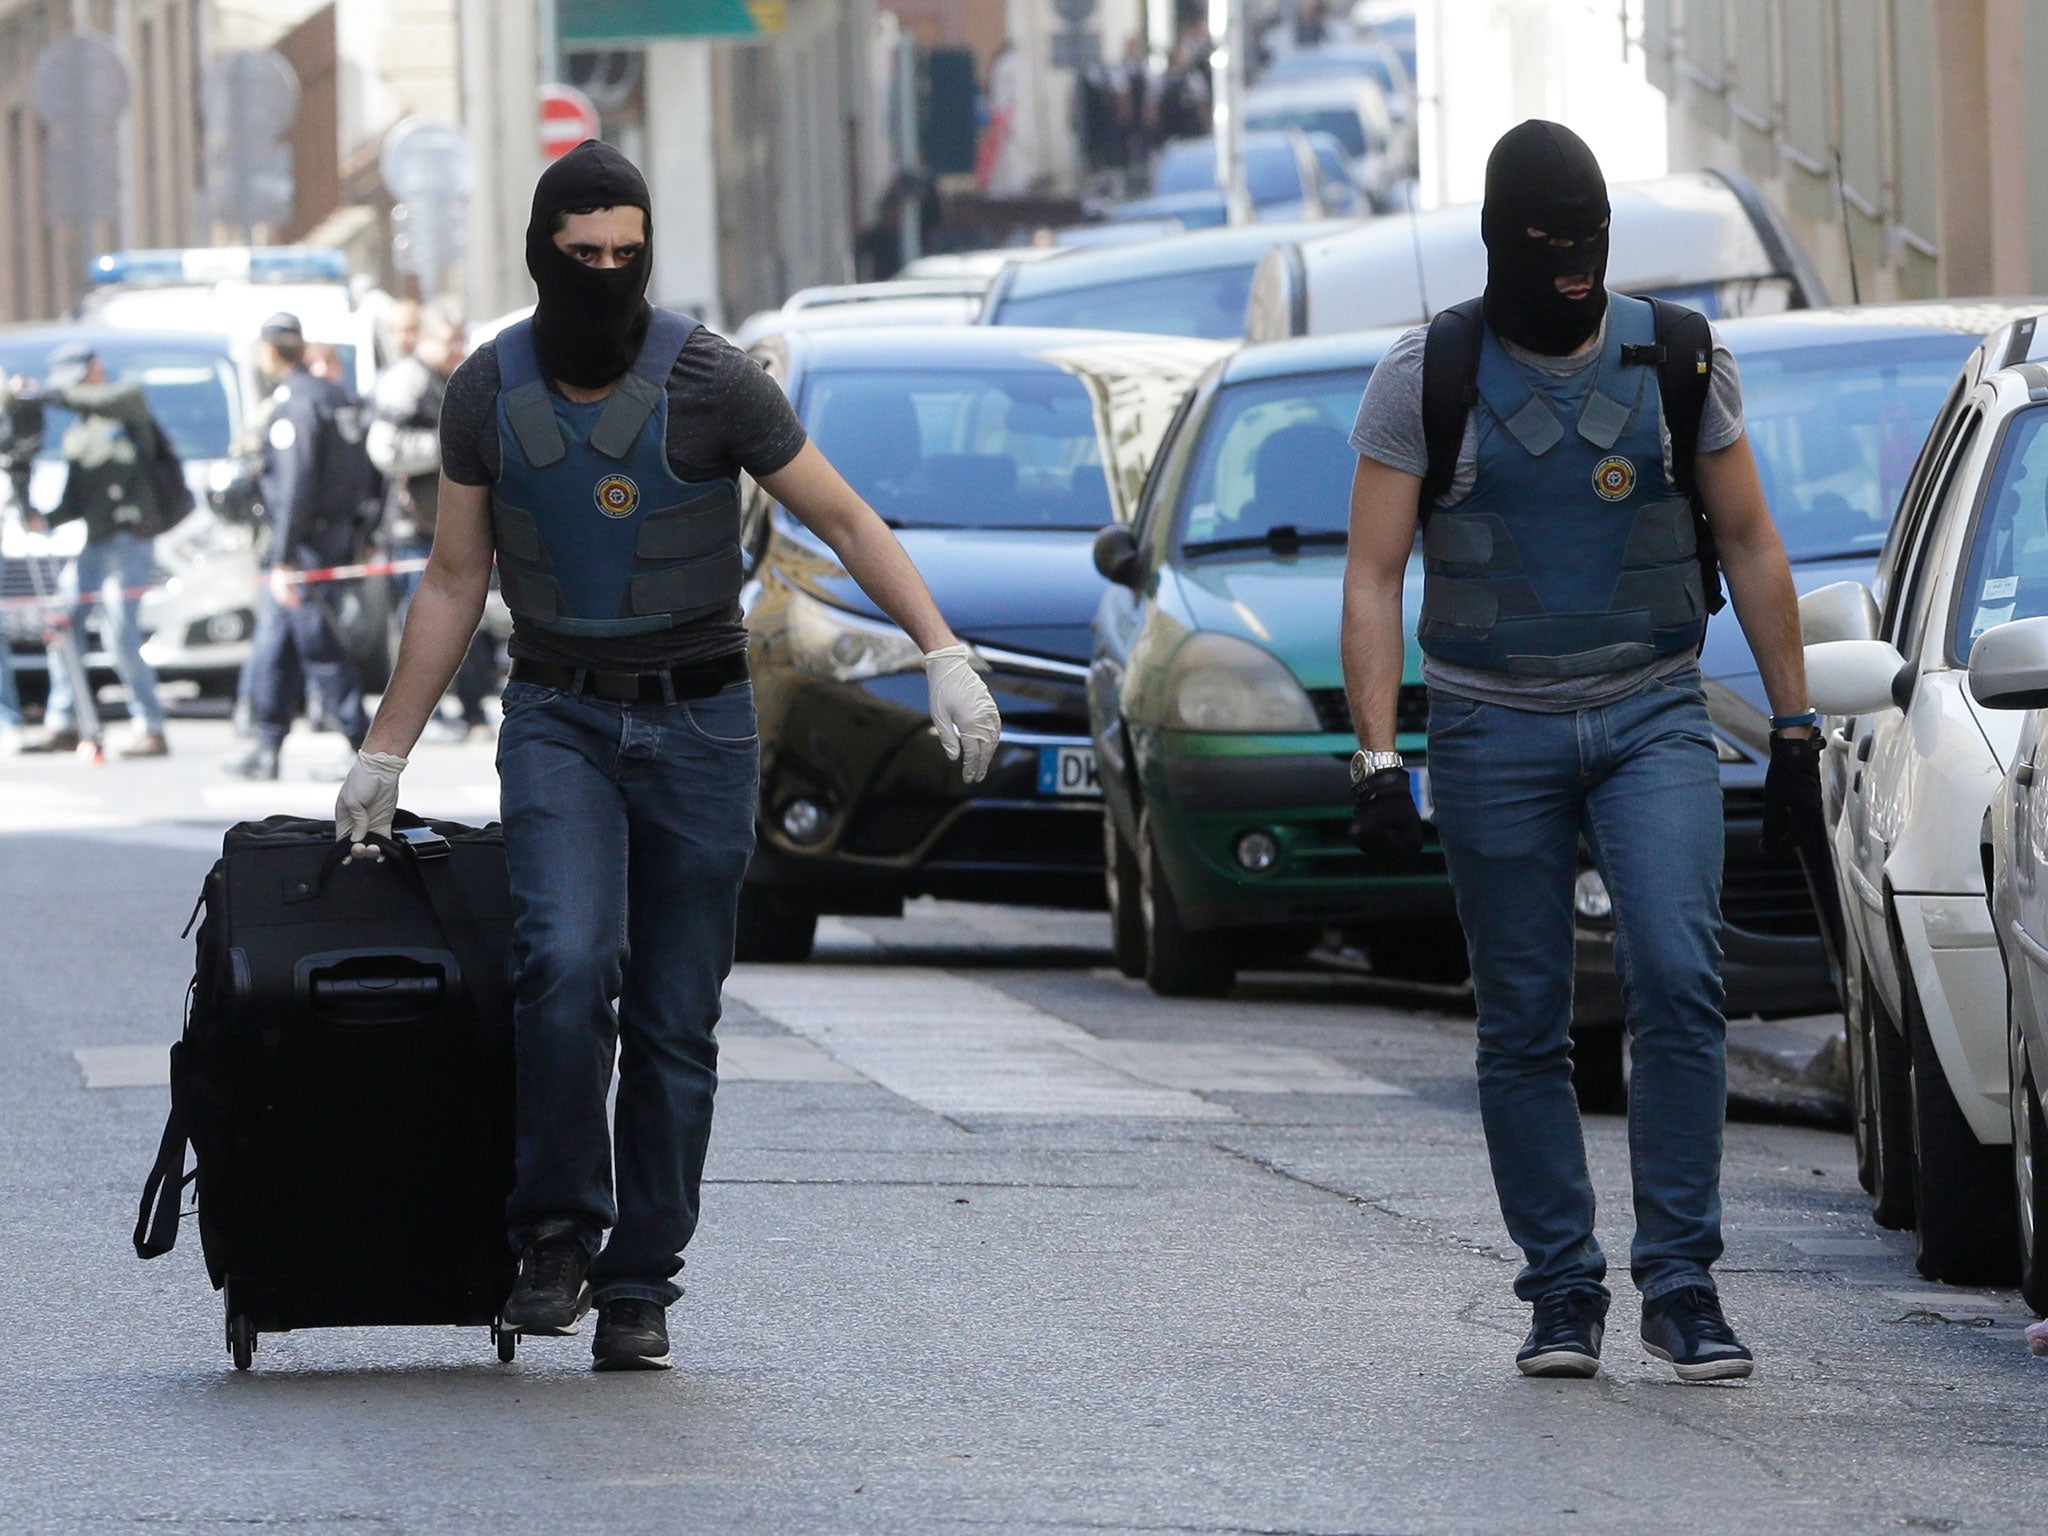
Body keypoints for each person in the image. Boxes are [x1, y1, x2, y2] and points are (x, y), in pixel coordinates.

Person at [332, 141, 1001, 1372]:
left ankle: (641, 1280)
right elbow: (449, 577)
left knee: (678, 1018)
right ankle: (552, 1236)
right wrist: (382, 755)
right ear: (542, 253)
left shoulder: (712, 380)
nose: (602, 276)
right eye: (579, 257)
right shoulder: (485, 390)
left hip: (699, 723)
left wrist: (941, 650)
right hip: (558, 715)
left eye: (623, 258)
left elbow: (844, 517)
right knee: (564, 963)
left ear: (647, 254)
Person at [1338, 121, 1821, 1383]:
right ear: (1497, 242)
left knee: (1676, 974)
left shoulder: (1673, 358)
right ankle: (1560, 1291)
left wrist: (1792, 729)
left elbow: (1753, 539)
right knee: (1522, 1019)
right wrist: (1377, 758)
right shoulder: (1425, 373)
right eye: (1545, 245)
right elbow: (1374, 571)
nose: (1571, 270)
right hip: (1491, 722)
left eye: (1589, 244)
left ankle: (1680, 1283)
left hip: (1652, 708)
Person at [225, 313, 378, 780]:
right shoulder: (335, 397)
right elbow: (365, 476)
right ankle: (267, 743)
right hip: (330, 538)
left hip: (306, 546)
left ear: (270, 352)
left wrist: (283, 558)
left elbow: (294, 486)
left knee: (318, 643)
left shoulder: (295, 403)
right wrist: (364, 535)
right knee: (278, 642)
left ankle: (362, 746)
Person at [14, 342, 176, 757]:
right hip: (96, 541)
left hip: (132, 538)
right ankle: (64, 720)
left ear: (94, 368)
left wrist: (45, 393)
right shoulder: (79, 432)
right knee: (63, 622)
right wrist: (43, 517)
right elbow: (74, 499)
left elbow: (100, 399)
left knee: (120, 629)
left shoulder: (127, 401)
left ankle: (150, 725)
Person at [368, 302, 493, 740]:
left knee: (468, 623)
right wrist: (452, 447)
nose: (457, 348)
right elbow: (385, 448)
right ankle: (429, 716)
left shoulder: (448, 378)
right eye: (449, 340)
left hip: (447, 521)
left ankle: (472, 708)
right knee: (420, 624)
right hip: (414, 527)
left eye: (461, 339)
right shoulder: (408, 381)